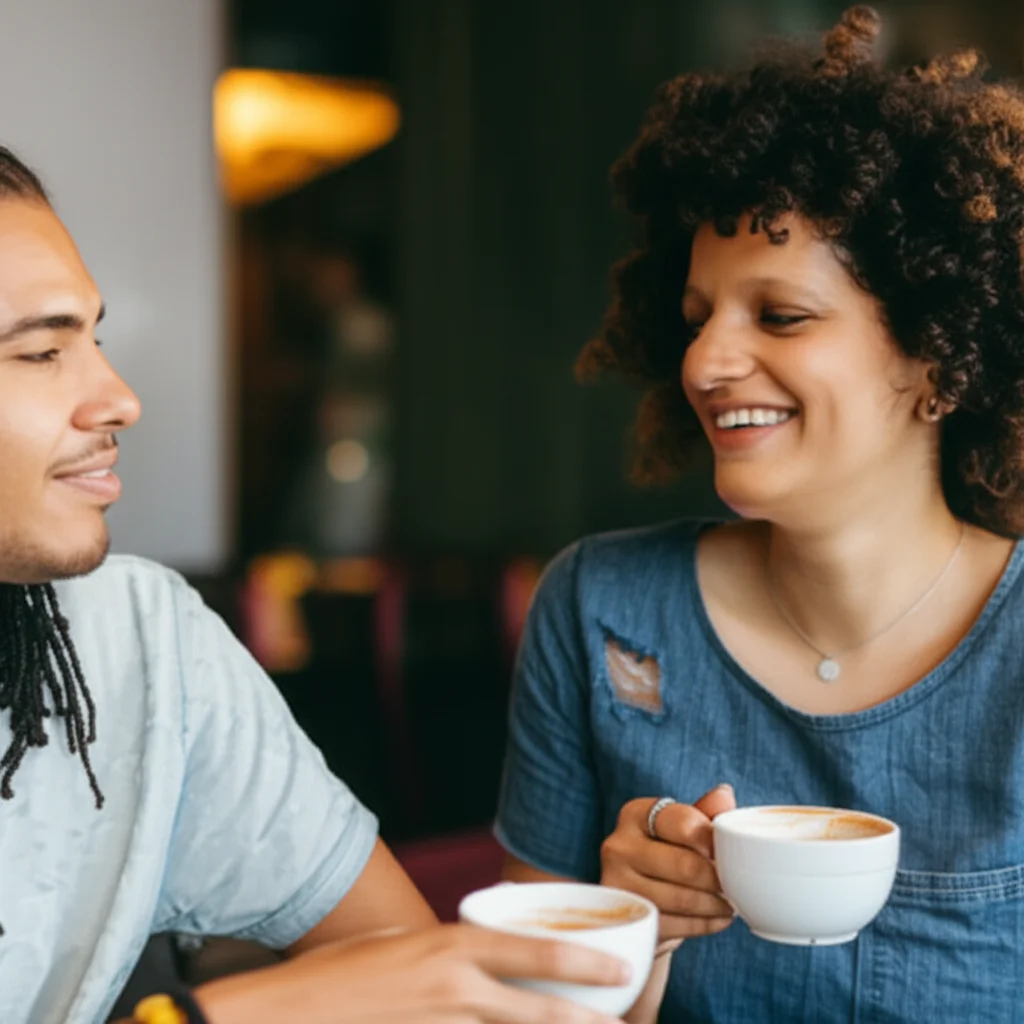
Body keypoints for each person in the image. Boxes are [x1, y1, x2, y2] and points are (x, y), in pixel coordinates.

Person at [0, 152, 629, 1024]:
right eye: (39, 352)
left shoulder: (139, 639)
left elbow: (389, 959)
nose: (118, 399)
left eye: (93, 340)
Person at [495, 6, 1024, 1021]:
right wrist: (624, 937)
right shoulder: (601, 608)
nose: (703, 363)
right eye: (696, 320)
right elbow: (519, 1009)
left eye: (779, 314)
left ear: (938, 361)